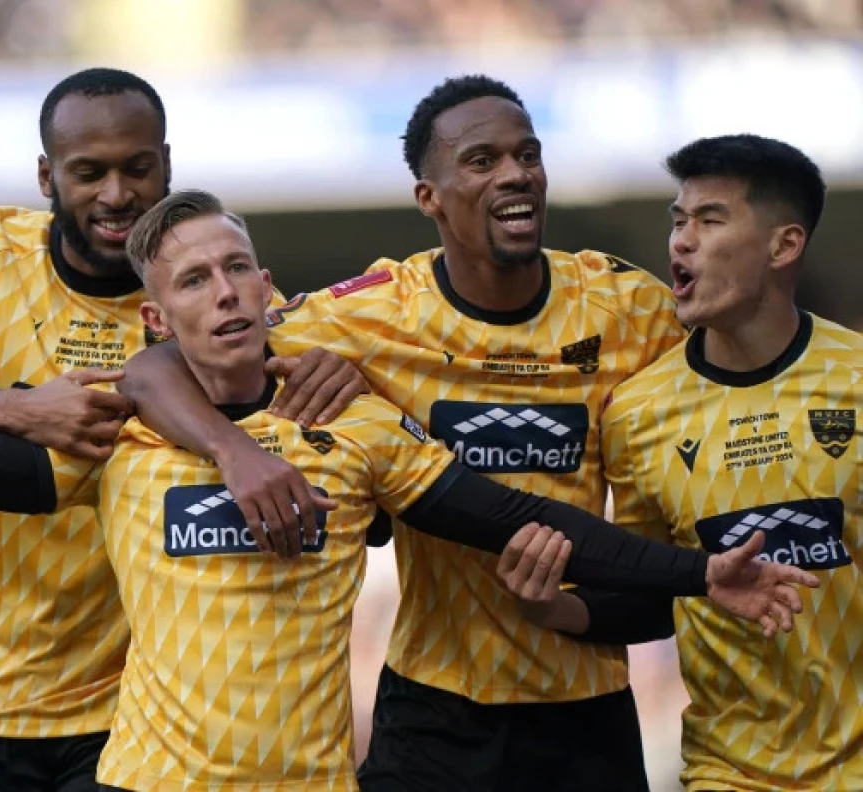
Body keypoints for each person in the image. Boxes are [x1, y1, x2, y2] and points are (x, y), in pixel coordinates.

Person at [0, 189, 818, 792]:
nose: (227, 291)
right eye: (195, 278)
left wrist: (696, 573)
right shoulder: (116, 434)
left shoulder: (353, 427)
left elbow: (517, 515)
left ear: (272, 289)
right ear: (158, 318)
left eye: (240, 268)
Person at [117, 75, 687, 789]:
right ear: (430, 197)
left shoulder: (630, 308)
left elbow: (730, 352)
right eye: (481, 161)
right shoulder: (365, 315)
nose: (515, 173)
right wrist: (235, 447)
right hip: (433, 711)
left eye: (527, 154)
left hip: (585, 703)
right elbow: (156, 363)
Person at [0, 67, 365, 791]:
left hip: (149, 715)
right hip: (3, 693)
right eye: (89, 172)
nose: (116, 194)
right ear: (47, 175)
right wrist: (7, 407)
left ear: (166, 166)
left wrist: (352, 368)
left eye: (138, 168)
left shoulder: (203, 286)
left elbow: (310, 398)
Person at [496, 134, 862, 792]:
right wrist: (551, 610)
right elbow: (649, 597)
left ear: (784, 245)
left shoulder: (856, 379)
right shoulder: (636, 413)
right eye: (678, 220)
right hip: (729, 772)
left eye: (710, 220)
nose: (681, 241)